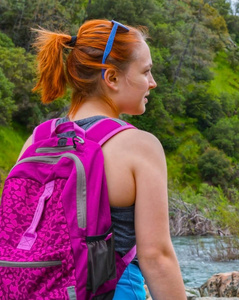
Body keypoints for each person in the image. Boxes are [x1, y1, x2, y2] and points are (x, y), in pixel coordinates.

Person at [18, 19, 186, 299]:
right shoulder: (139, 146)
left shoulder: (36, 140)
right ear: (112, 77)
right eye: (146, 71)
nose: (153, 83)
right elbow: (156, 256)